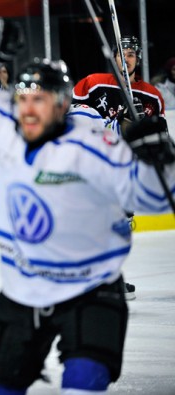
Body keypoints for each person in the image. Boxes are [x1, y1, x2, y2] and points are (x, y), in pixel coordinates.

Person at [0, 18, 175, 394]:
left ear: (62, 103)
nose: (29, 109)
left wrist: (160, 162)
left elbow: (154, 196)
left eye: (41, 100)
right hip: (23, 289)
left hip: (92, 286)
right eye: (23, 98)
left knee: (83, 383)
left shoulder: (94, 143)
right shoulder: (4, 127)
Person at [72, 36, 168, 300]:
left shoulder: (151, 95)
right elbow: (75, 121)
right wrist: (115, 125)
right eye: (120, 54)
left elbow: (158, 137)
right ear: (112, 57)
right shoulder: (93, 83)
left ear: (138, 59)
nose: (125, 59)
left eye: (131, 54)